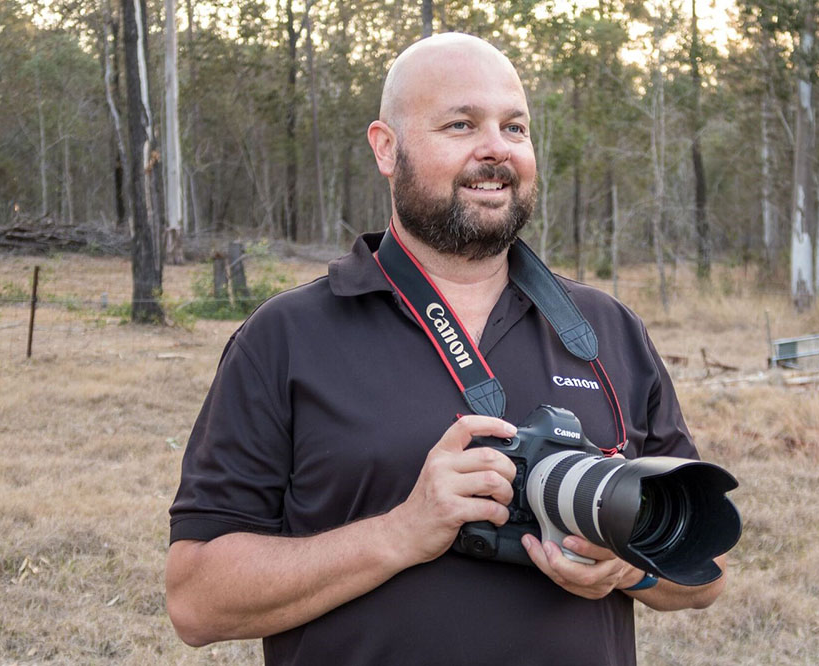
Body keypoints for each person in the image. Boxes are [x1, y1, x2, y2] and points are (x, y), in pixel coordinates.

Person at [166, 32, 727, 666]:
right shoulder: (286, 337)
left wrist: (631, 572)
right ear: (387, 148)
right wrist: (402, 532)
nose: (495, 149)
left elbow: (706, 571)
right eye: (461, 124)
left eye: (514, 128)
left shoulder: (607, 330)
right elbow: (196, 600)